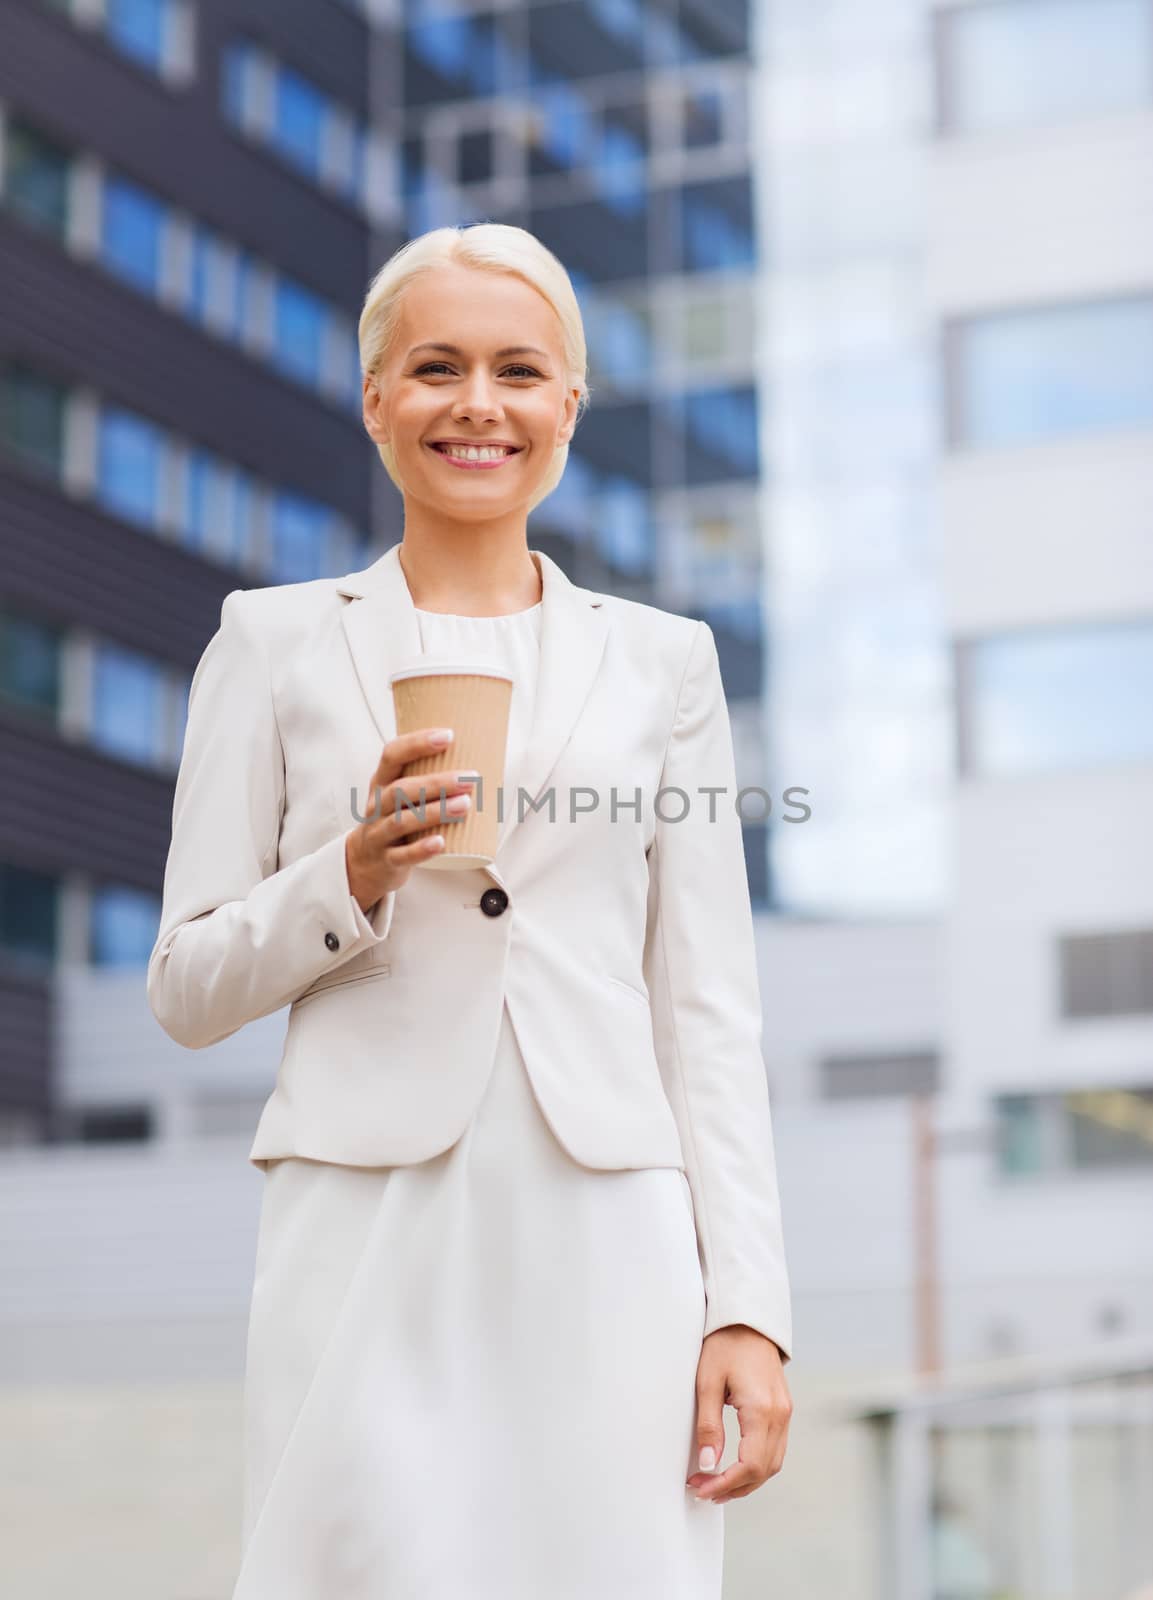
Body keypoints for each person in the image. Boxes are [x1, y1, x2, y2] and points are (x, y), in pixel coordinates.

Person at [147, 221, 793, 1599]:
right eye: (436, 367)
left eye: (519, 370)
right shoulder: (270, 641)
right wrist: (351, 874)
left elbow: (708, 1007)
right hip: (365, 1214)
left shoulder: (663, 664)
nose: (478, 404)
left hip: (608, 1226)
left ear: (569, 405)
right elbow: (187, 986)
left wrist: (747, 1307)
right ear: (376, 395)